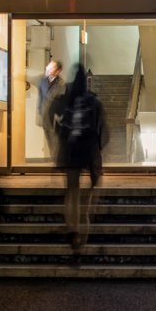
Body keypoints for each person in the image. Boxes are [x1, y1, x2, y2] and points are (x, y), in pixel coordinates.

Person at [56, 64, 108, 252]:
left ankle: (72, 229)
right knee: (88, 198)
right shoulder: (93, 101)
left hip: (70, 152)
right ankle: (83, 240)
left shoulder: (66, 101)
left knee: (72, 192)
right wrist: (99, 148)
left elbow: (53, 121)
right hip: (89, 151)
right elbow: (103, 130)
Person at [37, 60, 66, 161]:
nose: (48, 68)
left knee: (55, 137)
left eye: (51, 67)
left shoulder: (61, 84)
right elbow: (41, 96)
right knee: (49, 137)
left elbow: (60, 100)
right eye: (48, 66)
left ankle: (57, 158)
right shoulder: (43, 80)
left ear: (57, 71)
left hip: (55, 115)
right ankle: (54, 157)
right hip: (45, 114)